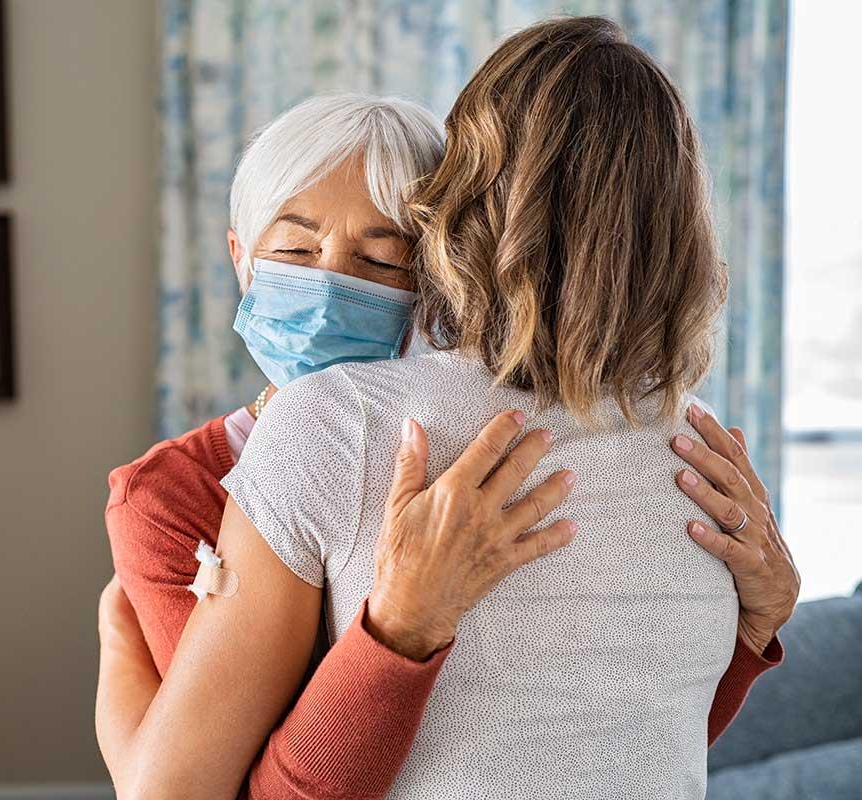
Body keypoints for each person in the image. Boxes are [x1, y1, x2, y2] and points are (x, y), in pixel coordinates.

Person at [98, 58, 794, 799]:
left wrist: (755, 626)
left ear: (438, 261)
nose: (331, 287)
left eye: (381, 259)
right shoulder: (183, 485)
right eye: (296, 251)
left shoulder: (342, 423)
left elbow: (614, 743)